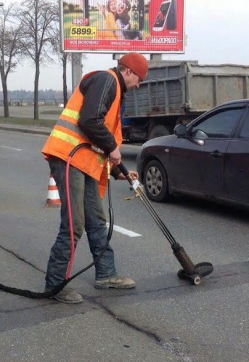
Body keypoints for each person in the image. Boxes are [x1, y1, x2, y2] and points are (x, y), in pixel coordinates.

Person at [41, 52, 148, 304]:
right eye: (139, 78)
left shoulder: (115, 92)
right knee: (74, 223)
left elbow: (99, 139)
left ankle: (106, 274)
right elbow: (89, 120)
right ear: (129, 71)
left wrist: (117, 171)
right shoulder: (107, 80)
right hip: (69, 157)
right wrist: (112, 148)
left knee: (96, 221)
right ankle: (54, 284)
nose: (138, 85)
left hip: (84, 162)